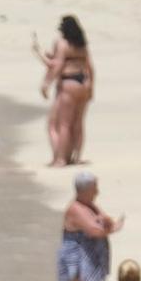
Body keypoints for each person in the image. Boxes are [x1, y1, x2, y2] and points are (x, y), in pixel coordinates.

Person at [57, 171, 119, 281]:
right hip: (76, 257)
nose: (97, 192)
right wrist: (109, 227)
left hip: (90, 256)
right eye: (94, 188)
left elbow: (107, 222)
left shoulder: (91, 205)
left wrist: (107, 224)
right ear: (84, 190)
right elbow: (94, 230)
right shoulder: (75, 208)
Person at [35, 15, 92, 168]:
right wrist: (91, 88)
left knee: (61, 124)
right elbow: (89, 67)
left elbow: (57, 66)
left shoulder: (61, 43)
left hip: (68, 83)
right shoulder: (82, 45)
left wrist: (46, 83)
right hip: (84, 83)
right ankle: (76, 157)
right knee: (78, 123)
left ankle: (60, 159)